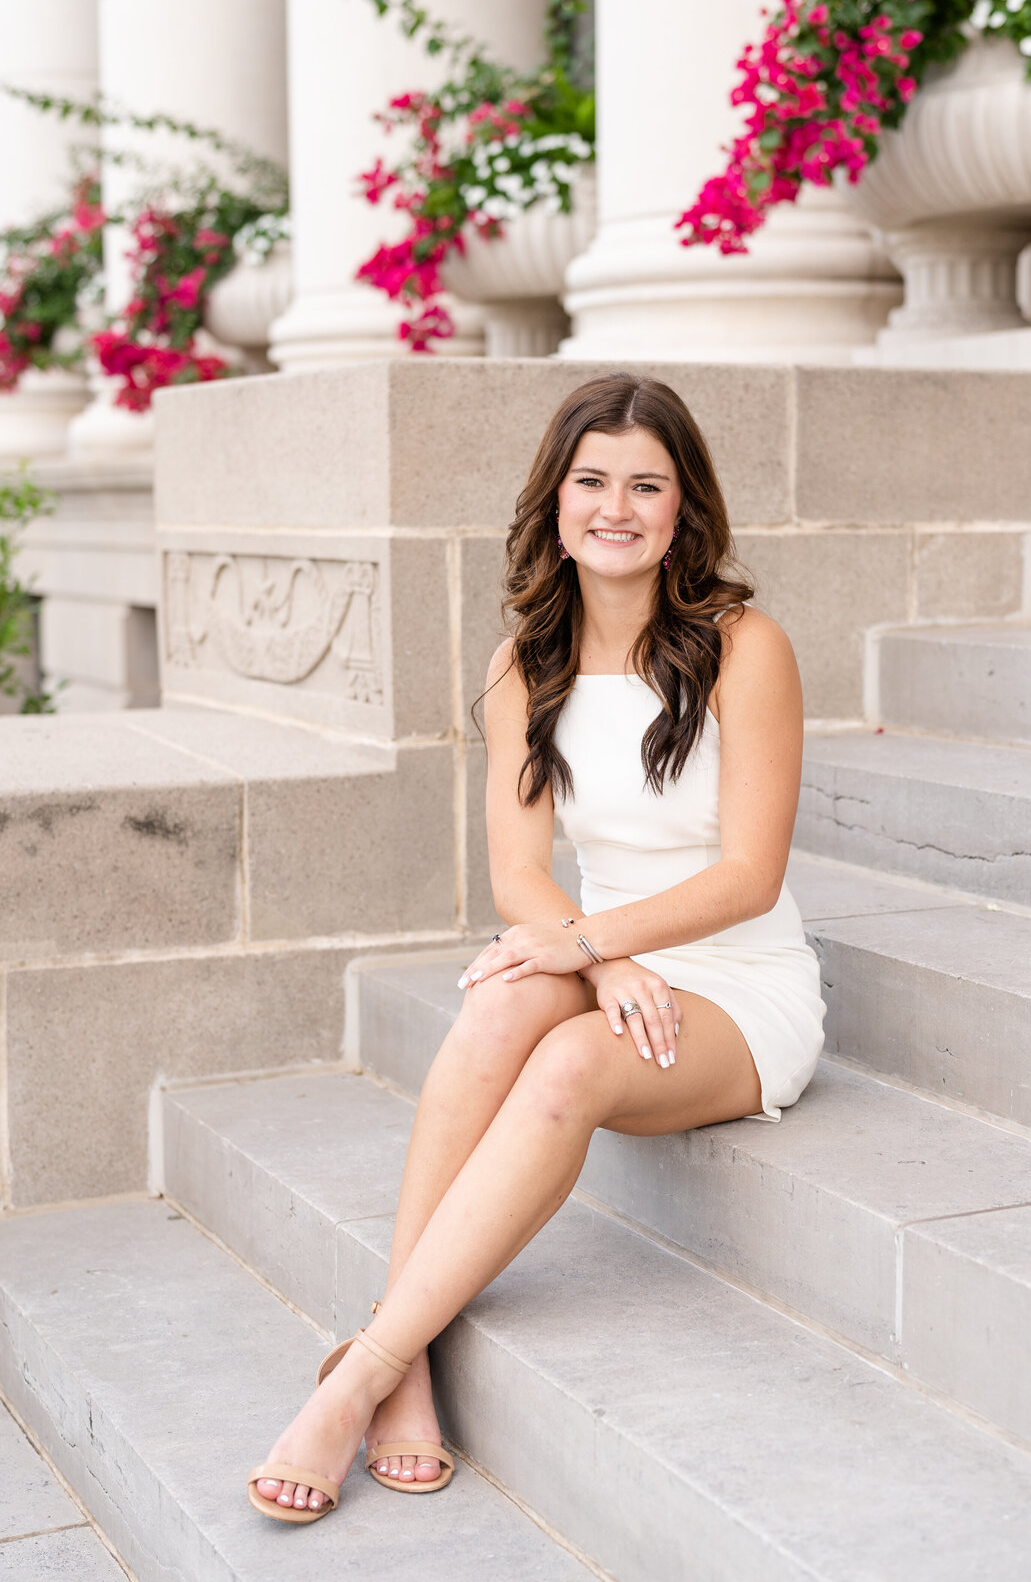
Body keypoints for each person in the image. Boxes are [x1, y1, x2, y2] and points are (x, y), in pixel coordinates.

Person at [248, 371, 826, 1522]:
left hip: (741, 984)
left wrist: (593, 944)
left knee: (561, 1056)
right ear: (556, 503)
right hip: (613, 958)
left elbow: (747, 875)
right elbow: (519, 873)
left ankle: (364, 1366)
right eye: (593, 480)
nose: (617, 507)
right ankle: (403, 1359)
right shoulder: (527, 664)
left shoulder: (743, 647)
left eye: (647, 485)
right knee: (505, 1005)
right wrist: (595, 959)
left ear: (683, 511)